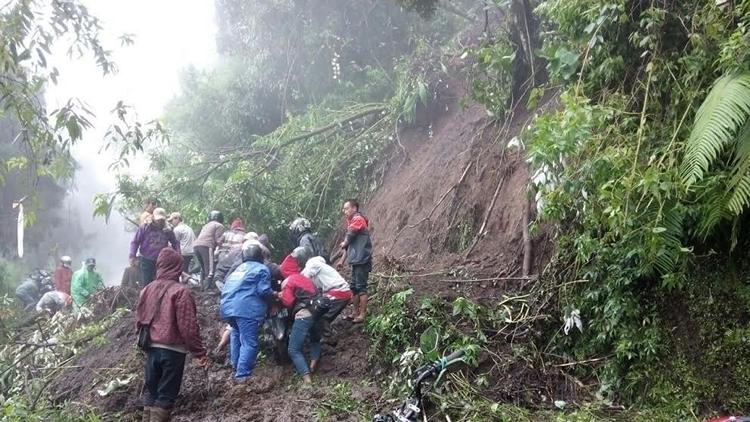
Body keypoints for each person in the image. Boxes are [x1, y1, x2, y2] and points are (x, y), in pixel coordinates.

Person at [136, 248, 208, 422]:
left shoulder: (146, 290)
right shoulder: (181, 292)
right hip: (173, 351)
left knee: (151, 393)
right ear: (178, 267)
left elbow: (139, 320)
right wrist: (200, 353)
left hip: (151, 349)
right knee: (166, 396)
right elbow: (188, 327)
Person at [220, 241, 273, 380]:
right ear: (260, 256)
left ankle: (236, 367)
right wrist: (275, 295)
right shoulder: (261, 269)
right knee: (249, 342)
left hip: (227, 308)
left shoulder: (237, 270)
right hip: (246, 309)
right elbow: (264, 291)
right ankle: (242, 375)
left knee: (236, 334)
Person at [276, 247, 320, 383]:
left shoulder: (288, 281)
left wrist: (280, 295)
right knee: (315, 339)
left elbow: (288, 302)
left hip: (304, 315)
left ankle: (307, 380)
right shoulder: (305, 278)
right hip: (317, 311)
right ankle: (313, 364)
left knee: (293, 349)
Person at [337, 199, 373, 323]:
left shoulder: (358, 219)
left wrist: (345, 242)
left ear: (354, 208)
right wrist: (342, 260)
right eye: (344, 209)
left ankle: (362, 315)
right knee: (354, 288)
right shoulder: (351, 223)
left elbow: (349, 237)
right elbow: (348, 244)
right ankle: (354, 312)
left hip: (362, 260)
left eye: (346, 208)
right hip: (356, 261)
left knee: (361, 288)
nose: (344, 211)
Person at [302, 255, 353, 340]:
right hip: (342, 290)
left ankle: (329, 339)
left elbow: (303, 278)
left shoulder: (312, 265)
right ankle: (327, 335)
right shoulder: (321, 266)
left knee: (320, 315)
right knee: (320, 310)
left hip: (339, 291)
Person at [130, 208, 181, 286]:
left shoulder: (168, 230)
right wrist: (132, 256)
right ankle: (146, 296)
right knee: (146, 283)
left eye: (161, 220)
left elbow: (175, 242)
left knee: (160, 283)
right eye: (158, 219)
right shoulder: (145, 227)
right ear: (153, 217)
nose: (159, 222)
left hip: (161, 261)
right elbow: (135, 242)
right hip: (145, 259)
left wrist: (178, 254)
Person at [193, 210, 225, 289]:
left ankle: (202, 287)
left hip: (196, 246)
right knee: (210, 269)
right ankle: (208, 289)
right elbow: (217, 240)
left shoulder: (206, 225)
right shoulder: (219, 225)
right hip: (207, 246)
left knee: (203, 268)